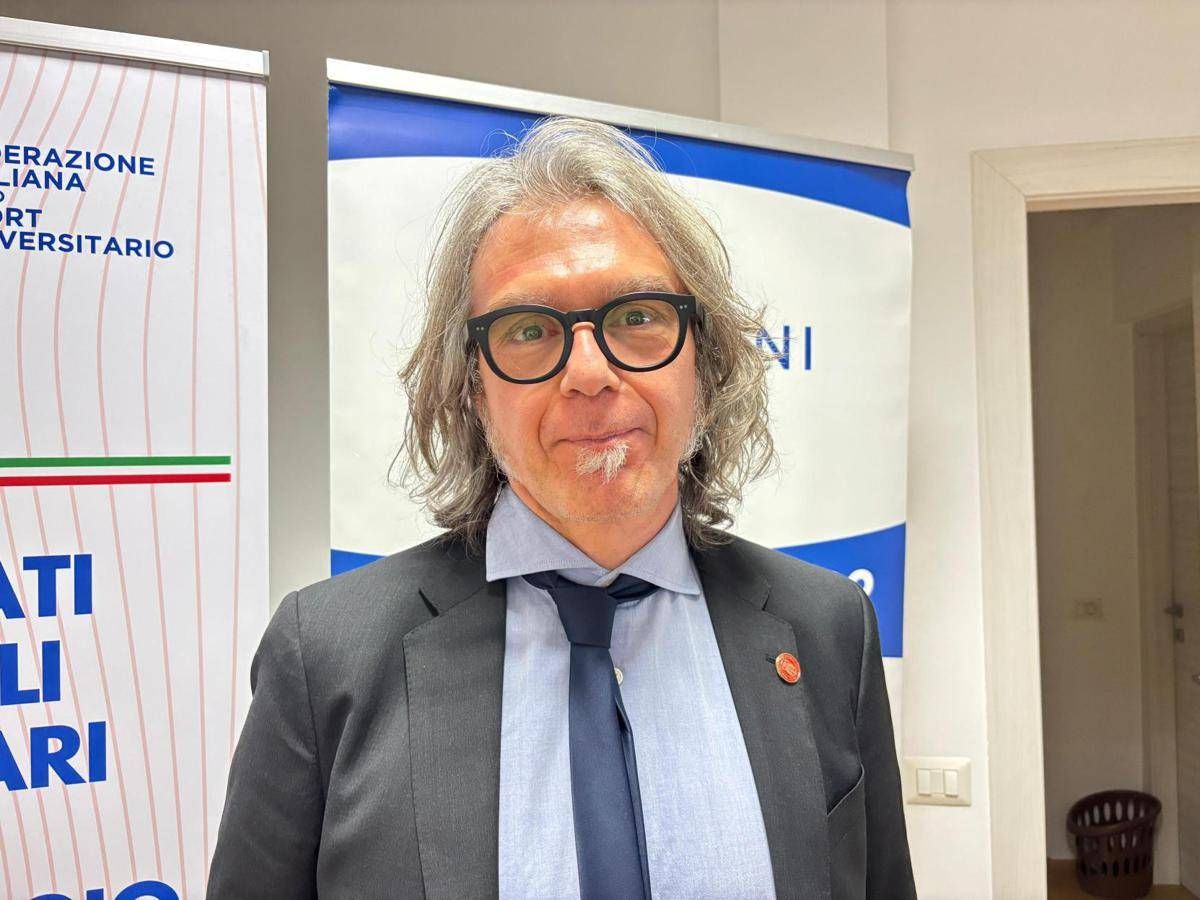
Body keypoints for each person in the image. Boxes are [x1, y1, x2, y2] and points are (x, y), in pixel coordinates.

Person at [208, 116, 917, 900]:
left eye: (637, 317)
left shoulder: (828, 632)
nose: (588, 373)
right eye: (528, 329)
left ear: (705, 359)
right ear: (472, 388)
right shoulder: (326, 658)